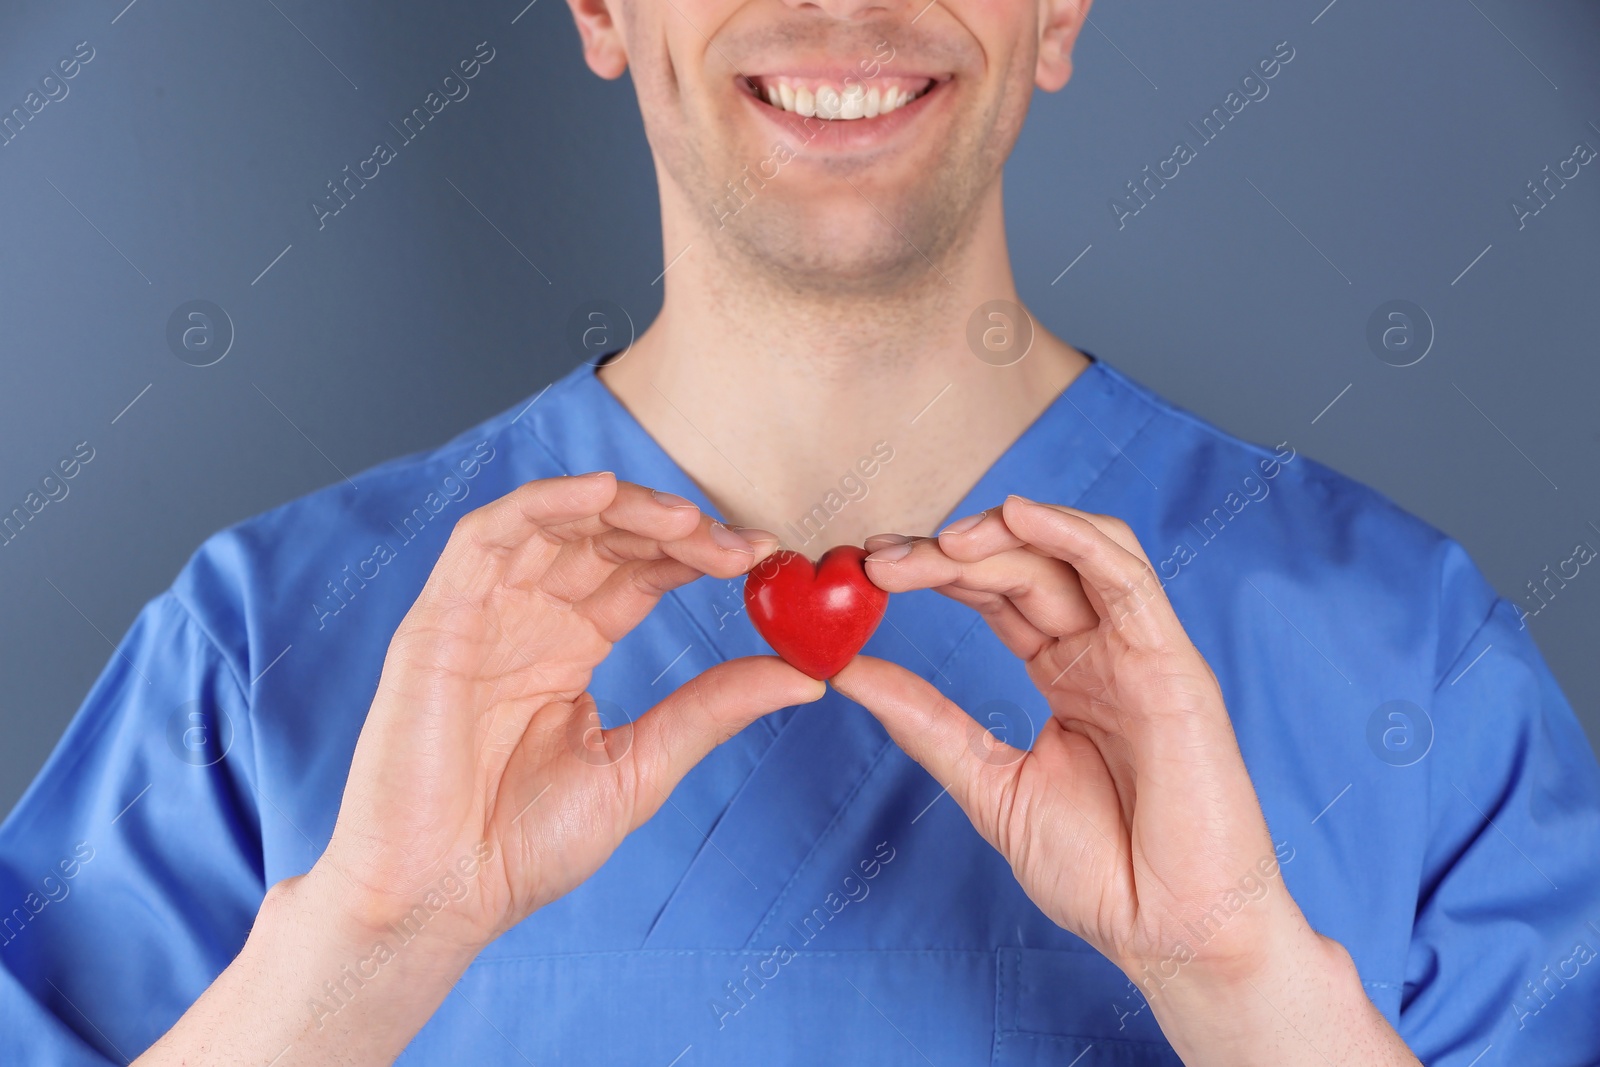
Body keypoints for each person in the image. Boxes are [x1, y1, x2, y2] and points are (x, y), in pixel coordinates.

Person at [3, 0, 1598, 1061]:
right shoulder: (260, 650)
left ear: (1058, 9)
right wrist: (357, 956)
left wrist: (1242, 979)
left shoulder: (1409, 653)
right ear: (605, 8)